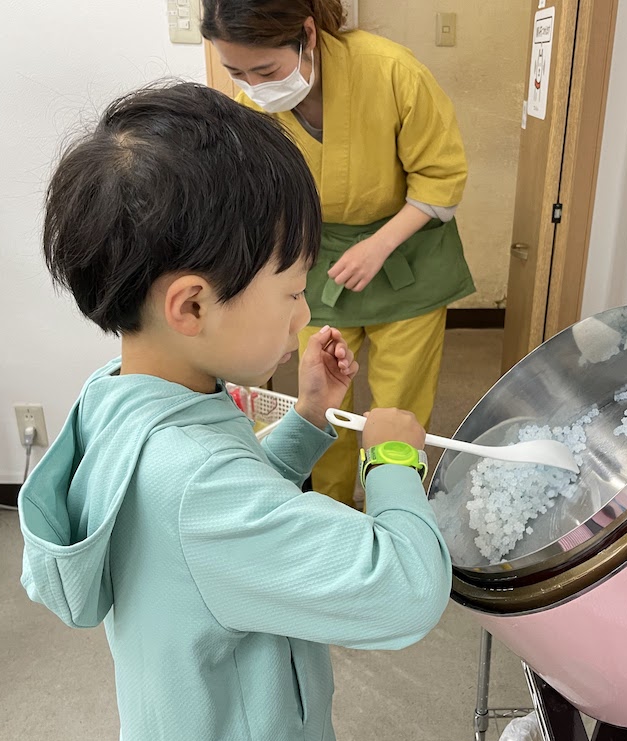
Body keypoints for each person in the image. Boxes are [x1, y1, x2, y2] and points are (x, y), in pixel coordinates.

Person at [18, 82, 451, 741]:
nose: (303, 314)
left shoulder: (121, 395)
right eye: (290, 290)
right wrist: (394, 457)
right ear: (192, 306)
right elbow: (407, 591)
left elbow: (218, 506)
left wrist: (308, 418)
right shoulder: (196, 485)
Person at [202, 0, 475, 506]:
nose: (255, 87)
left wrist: (378, 244)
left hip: (408, 254)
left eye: (265, 69)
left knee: (399, 405)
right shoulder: (249, 108)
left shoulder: (391, 71)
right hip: (317, 260)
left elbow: (442, 176)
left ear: (307, 34)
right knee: (323, 402)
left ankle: (397, 519)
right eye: (236, 72)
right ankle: (329, 511)